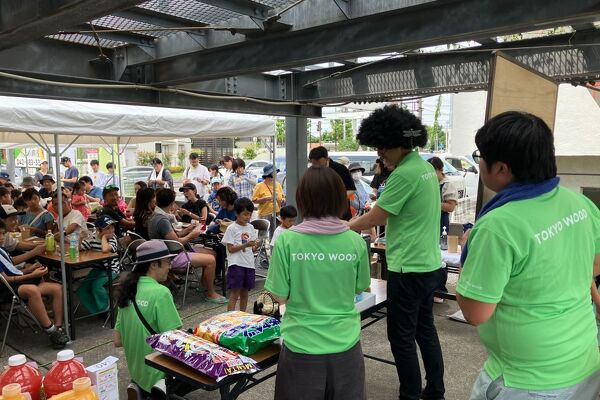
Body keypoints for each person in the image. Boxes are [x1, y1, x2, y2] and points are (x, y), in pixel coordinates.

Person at [456, 111, 600, 399]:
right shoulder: (579, 203)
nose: (479, 162)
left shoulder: (498, 226)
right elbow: (592, 266)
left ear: (502, 169)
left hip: (526, 381)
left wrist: (468, 252)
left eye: (480, 156)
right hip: (582, 359)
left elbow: (476, 312)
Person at [347, 104, 445, 400]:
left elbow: (376, 217)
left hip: (408, 268)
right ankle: (436, 391)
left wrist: (342, 227)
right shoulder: (426, 167)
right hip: (429, 265)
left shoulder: (404, 174)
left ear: (400, 144)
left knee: (401, 338)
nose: (380, 154)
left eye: (382, 147)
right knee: (424, 330)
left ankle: (410, 395)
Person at [265, 167, 371, 400]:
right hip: (346, 345)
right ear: (339, 199)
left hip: (301, 346)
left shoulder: (288, 240)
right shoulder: (355, 241)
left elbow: (279, 296)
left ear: (302, 199)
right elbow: (360, 287)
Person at [114, 240, 183, 399]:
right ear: (153, 265)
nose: (170, 266)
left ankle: (139, 387)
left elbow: (117, 340)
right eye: (167, 262)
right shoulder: (161, 293)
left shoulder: (127, 289)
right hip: (158, 372)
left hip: (137, 371)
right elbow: (175, 341)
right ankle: (161, 388)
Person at [0, 218, 69, 349]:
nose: (2, 237)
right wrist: (31, 274)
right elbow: (7, 279)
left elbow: (11, 264)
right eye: (0, 234)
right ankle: (50, 330)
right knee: (32, 290)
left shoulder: (2, 249)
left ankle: (58, 328)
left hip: (18, 281)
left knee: (57, 288)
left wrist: (30, 269)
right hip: (6, 289)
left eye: (3, 233)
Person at [147, 189, 226, 303]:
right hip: (171, 256)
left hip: (165, 252)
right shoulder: (162, 220)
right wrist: (192, 235)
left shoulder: (156, 215)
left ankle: (204, 285)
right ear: (171, 203)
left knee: (212, 252)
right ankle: (210, 293)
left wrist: (188, 230)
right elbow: (177, 243)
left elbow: (172, 236)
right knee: (211, 259)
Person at [76, 215, 120, 315]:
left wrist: (104, 237)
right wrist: (80, 239)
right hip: (98, 269)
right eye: (107, 228)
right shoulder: (93, 239)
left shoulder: (112, 239)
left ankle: (107, 308)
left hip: (111, 269)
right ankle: (98, 311)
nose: (111, 230)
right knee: (81, 290)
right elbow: (80, 248)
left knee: (96, 286)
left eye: (112, 227)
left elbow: (105, 250)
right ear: (98, 230)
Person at [221, 198, 259, 312]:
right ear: (237, 213)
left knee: (245, 292)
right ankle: (231, 318)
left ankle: (242, 315)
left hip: (248, 264)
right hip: (236, 264)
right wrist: (246, 245)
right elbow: (231, 249)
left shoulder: (250, 227)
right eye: (245, 214)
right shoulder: (231, 228)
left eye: (250, 214)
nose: (248, 217)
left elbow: (252, 248)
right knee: (234, 293)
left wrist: (255, 246)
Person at [309, 146, 356, 220]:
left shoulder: (341, 169)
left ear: (327, 159)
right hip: (319, 214)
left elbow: (351, 189)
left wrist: (335, 200)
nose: (318, 169)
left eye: (320, 165)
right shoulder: (311, 172)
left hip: (340, 213)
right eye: (315, 166)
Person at [252, 164, 284, 238]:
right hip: (264, 214)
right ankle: (261, 249)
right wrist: (267, 198)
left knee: (275, 235)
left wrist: (282, 199)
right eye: (275, 172)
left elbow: (282, 197)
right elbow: (254, 200)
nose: (276, 173)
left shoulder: (278, 185)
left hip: (276, 213)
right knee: (262, 236)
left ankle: (274, 249)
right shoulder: (259, 186)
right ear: (270, 173)